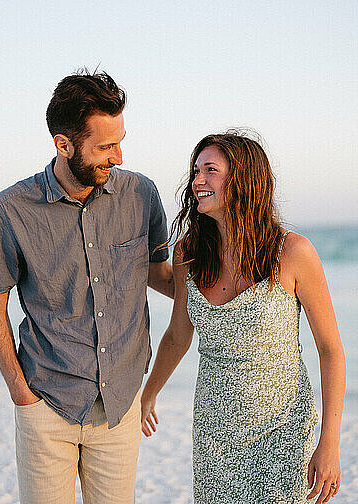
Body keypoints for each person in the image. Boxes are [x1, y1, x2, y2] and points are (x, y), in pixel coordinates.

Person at [0, 69, 174, 504]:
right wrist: (19, 391)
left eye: (121, 140)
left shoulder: (142, 194)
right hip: (45, 404)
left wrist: (233, 291)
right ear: (63, 145)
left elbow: (159, 274)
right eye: (105, 146)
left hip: (120, 409)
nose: (119, 156)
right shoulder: (8, 212)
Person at [141, 131, 346, 504]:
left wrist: (329, 443)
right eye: (196, 170)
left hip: (283, 429)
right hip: (215, 433)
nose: (196, 181)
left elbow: (330, 349)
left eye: (210, 171)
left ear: (243, 182)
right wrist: (148, 394)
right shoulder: (190, 252)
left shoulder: (292, 252)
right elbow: (177, 335)